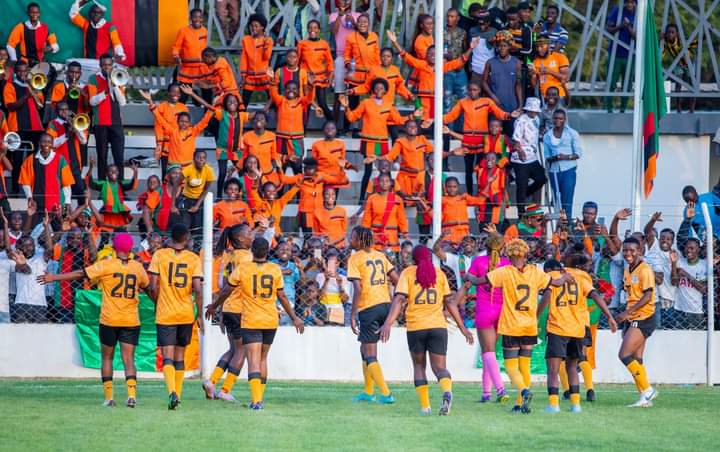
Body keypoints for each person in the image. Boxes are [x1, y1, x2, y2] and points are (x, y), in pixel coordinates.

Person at [38, 233, 148, 407]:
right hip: (130, 320)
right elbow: (148, 287)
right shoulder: (137, 267)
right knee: (129, 359)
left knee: (107, 358)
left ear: (114, 247)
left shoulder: (106, 264)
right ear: (130, 249)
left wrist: (54, 277)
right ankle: (132, 396)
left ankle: (109, 398)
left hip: (110, 319)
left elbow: (81, 273)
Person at [464, 238, 573, 413]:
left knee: (511, 367)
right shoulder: (535, 272)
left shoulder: (504, 272)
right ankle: (520, 403)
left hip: (511, 325)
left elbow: (478, 282)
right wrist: (565, 277)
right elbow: (557, 283)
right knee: (525, 366)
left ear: (509, 255)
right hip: (529, 325)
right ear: (526, 254)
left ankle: (523, 391)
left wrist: (469, 276)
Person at [206, 237, 304, 409]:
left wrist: (215, 306)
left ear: (252, 250)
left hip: (250, 320)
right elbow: (282, 296)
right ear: (268, 251)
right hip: (270, 320)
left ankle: (256, 401)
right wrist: (294, 317)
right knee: (263, 359)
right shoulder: (275, 269)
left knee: (253, 360)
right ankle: (259, 398)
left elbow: (227, 290)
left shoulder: (243, 268)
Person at [380, 245, 473, 415]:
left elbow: (399, 299)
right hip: (438, 327)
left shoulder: (408, 273)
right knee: (440, 368)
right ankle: (447, 392)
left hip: (416, 327)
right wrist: (462, 327)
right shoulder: (439, 274)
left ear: (414, 259)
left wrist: (388, 323)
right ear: (430, 258)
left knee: (419, 366)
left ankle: (425, 407)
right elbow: (449, 302)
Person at [538, 255, 617, 413]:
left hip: (558, 327)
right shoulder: (581, 277)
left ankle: (553, 405)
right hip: (577, 329)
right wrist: (609, 316)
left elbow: (546, 295)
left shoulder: (552, 276)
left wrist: (535, 316)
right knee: (572, 367)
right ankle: (576, 405)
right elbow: (595, 295)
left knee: (553, 369)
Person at [148, 223, 204, 410]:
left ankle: (172, 391)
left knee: (167, 357)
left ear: (171, 237)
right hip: (185, 314)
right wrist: (199, 315)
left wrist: (157, 303)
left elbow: (153, 286)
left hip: (165, 313)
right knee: (180, 357)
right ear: (186, 239)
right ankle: (177, 395)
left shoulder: (159, 255)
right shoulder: (193, 258)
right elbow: (198, 289)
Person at [339, 78, 417, 201]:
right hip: (368, 142)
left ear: (385, 91)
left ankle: (390, 198)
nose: (379, 90)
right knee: (368, 171)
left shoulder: (389, 105)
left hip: (382, 142)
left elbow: (399, 120)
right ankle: (362, 199)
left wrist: (412, 116)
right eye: (377, 88)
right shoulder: (366, 102)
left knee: (386, 170)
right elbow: (352, 117)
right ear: (373, 90)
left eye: (382, 88)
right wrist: (346, 107)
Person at [347, 226, 399, 403]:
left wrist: (352, 314)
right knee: (364, 348)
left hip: (368, 307)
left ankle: (386, 394)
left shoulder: (355, 258)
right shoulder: (380, 256)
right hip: (385, 305)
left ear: (360, 241)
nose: (350, 239)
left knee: (370, 354)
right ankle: (368, 392)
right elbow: (397, 280)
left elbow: (358, 288)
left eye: (353, 237)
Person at [440, 80, 517, 194]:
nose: (472, 92)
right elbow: (451, 116)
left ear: (480, 90)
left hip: (482, 141)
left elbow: (498, 112)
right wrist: (436, 119)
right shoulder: (462, 102)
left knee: (480, 168)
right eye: (470, 90)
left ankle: (480, 193)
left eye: (475, 90)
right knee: (468, 170)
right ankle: (470, 194)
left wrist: (509, 115)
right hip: (468, 141)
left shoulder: (487, 101)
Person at [387, 30, 476, 122]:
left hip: (437, 99)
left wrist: (471, 48)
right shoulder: (421, 64)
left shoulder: (442, 66)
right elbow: (406, 56)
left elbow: (459, 61)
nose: (433, 56)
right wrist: (394, 42)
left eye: (435, 54)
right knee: (420, 121)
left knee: (435, 122)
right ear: (426, 55)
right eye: (430, 53)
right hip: (422, 100)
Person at [462, 231, 509, 402]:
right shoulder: (507, 264)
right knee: (489, 352)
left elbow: (469, 281)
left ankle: (501, 390)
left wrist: (468, 277)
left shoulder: (478, 261)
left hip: (484, 309)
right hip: (502, 309)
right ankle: (486, 393)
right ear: (502, 247)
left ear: (486, 247)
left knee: (488, 352)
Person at [616, 236, 658, 407]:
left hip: (644, 317)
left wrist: (627, 313)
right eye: (625, 250)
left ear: (640, 251)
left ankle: (648, 389)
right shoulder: (628, 269)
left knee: (624, 355)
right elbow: (631, 296)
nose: (628, 253)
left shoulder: (645, 269)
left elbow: (648, 296)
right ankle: (644, 397)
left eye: (632, 250)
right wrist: (627, 318)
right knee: (636, 358)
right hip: (633, 317)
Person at [141, 86, 215, 167]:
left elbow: (204, 122)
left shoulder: (193, 131)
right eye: (181, 121)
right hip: (173, 165)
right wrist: (150, 100)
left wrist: (211, 110)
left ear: (189, 123)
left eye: (186, 122)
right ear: (177, 122)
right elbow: (160, 120)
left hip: (188, 167)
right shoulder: (172, 131)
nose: (184, 124)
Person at [4, 61, 45, 193]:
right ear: (15, 72)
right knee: (17, 160)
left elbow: (40, 105)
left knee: (34, 160)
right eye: (20, 71)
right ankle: (15, 189)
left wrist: (33, 90)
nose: (23, 74)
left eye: (25, 71)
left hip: (35, 128)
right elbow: (11, 106)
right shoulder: (10, 86)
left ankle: (33, 188)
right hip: (18, 128)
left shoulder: (34, 85)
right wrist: (26, 96)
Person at [267, 72, 316, 175]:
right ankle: (280, 186)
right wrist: (273, 82)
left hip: (296, 139)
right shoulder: (281, 101)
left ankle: (298, 185)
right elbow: (273, 94)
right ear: (284, 91)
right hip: (281, 139)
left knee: (297, 166)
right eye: (288, 88)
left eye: (294, 89)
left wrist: (311, 86)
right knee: (281, 167)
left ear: (298, 91)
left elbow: (310, 98)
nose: (291, 91)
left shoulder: (301, 101)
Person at [87, 54, 126, 180]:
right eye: (104, 65)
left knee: (119, 156)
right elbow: (92, 101)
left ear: (112, 65)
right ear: (100, 65)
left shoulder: (118, 77)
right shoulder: (93, 78)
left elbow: (122, 102)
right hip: (100, 123)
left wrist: (114, 86)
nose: (107, 67)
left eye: (109, 65)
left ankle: (120, 185)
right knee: (102, 156)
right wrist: (105, 92)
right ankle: (102, 186)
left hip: (116, 123)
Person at [9, 211, 53, 323]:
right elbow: (26, 270)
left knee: (40, 333)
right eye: (25, 246)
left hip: (40, 304)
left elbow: (50, 249)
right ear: (19, 248)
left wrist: (46, 227)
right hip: (21, 303)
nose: (29, 248)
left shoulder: (40, 257)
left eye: (31, 245)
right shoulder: (16, 259)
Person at [342, 13, 381, 133]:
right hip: (356, 75)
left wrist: (378, 72)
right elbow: (347, 55)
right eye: (360, 22)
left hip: (372, 75)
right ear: (357, 24)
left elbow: (377, 55)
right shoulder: (350, 37)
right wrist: (348, 64)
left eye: (365, 22)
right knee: (352, 102)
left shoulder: (374, 36)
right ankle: (348, 128)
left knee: (373, 102)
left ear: (368, 24)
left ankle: (371, 127)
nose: (362, 24)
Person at [19, 133, 75, 215]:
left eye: (49, 142)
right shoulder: (30, 160)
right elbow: (25, 183)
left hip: (58, 206)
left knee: (63, 223)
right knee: (38, 223)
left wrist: (67, 204)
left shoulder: (60, 159)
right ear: (39, 143)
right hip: (37, 204)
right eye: (44, 141)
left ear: (52, 144)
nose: (46, 144)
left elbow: (66, 185)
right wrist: (29, 198)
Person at [329, 0, 361, 133]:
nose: (345, 1)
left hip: (355, 58)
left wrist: (354, 22)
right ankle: (334, 128)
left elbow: (362, 32)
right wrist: (340, 15)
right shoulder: (333, 15)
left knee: (354, 94)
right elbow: (333, 31)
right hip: (340, 57)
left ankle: (350, 127)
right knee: (338, 93)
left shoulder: (357, 15)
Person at [482, 31, 523, 135]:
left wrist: (520, 105)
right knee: (495, 135)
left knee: (511, 134)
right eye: (499, 46)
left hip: (511, 105)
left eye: (505, 46)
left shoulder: (517, 63)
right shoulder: (490, 62)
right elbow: (483, 82)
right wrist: (492, 96)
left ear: (509, 47)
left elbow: (518, 85)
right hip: (495, 106)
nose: (502, 48)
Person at [543, 109, 581, 217]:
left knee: (567, 199)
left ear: (564, 120)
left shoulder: (572, 133)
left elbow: (578, 154)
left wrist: (565, 157)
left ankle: (567, 223)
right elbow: (547, 156)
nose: (558, 120)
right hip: (554, 171)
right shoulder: (547, 135)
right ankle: (558, 223)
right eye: (556, 118)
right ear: (552, 119)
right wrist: (555, 158)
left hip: (568, 170)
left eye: (560, 118)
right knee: (556, 200)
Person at [46, 101, 88, 197]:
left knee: (80, 190)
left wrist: (76, 128)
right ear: (57, 111)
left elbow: (84, 141)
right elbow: (52, 143)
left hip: (74, 162)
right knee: (62, 192)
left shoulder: (74, 122)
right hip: (61, 162)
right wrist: (66, 135)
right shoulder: (53, 124)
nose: (64, 112)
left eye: (66, 109)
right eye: (61, 110)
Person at [512, 97, 547, 212]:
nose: (534, 112)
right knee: (521, 185)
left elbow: (534, 133)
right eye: (532, 110)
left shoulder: (536, 119)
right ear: (527, 109)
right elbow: (516, 140)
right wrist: (521, 152)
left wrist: (541, 133)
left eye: (536, 111)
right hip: (520, 159)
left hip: (532, 157)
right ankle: (521, 214)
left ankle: (525, 195)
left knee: (541, 178)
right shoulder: (520, 120)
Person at [385, 119, 433, 199]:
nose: (413, 128)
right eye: (410, 126)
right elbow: (390, 157)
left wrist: (451, 153)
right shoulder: (400, 142)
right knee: (403, 200)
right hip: (404, 177)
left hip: (419, 177)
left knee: (420, 201)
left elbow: (435, 153)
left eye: (415, 126)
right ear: (405, 129)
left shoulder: (422, 139)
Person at [361, 172, 409, 253]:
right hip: (376, 237)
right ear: (378, 183)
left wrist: (405, 232)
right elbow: (367, 218)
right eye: (381, 181)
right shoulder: (372, 198)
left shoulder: (397, 199)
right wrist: (365, 233)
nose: (384, 183)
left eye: (387, 181)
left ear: (391, 183)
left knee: (392, 260)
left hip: (392, 236)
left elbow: (401, 218)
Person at [87, 158, 138, 230]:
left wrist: (135, 172)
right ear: (106, 174)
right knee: (105, 232)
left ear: (118, 173)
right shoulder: (103, 184)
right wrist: (91, 168)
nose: (114, 172)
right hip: (107, 213)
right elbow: (91, 183)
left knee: (121, 232)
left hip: (119, 213)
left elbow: (131, 186)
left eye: (116, 171)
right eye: (111, 171)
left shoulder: (120, 184)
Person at [298, 20, 334, 120]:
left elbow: (330, 61)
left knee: (322, 103)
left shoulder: (324, 44)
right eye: (310, 27)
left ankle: (332, 124)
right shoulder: (302, 43)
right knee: (306, 103)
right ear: (307, 29)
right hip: (306, 78)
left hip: (320, 78)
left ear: (319, 30)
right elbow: (298, 61)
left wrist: (330, 75)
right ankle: (303, 128)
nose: (312, 30)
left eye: (315, 28)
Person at [150, 84, 189, 178]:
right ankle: (165, 187)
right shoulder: (162, 107)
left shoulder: (183, 108)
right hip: (166, 146)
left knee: (179, 173)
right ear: (168, 93)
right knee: (165, 171)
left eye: (178, 92)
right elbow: (158, 126)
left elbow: (186, 127)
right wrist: (159, 144)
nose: (176, 94)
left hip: (179, 146)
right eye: (173, 91)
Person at [605, 0, 637, 113]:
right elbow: (608, 29)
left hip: (630, 55)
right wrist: (620, 26)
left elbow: (638, 37)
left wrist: (628, 27)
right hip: (615, 53)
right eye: (627, 2)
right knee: (611, 82)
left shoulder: (639, 14)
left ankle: (623, 109)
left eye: (632, 2)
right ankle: (609, 109)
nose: (630, 4)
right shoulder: (618, 10)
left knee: (627, 83)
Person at [670, 239, 707, 329]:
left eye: (692, 248)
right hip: (680, 309)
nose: (688, 250)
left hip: (696, 310)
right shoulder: (680, 262)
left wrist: (686, 274)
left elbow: (703, 289)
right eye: (687, 247)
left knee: (696, 336)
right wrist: (674, 263)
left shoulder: (704, 265)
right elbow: (674, 282)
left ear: (698, 250)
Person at [240, 14, 273, 107]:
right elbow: (244, 58)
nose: (253, 28)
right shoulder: (246, 40)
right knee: (244, 102)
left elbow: (266, 57)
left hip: (264, 74)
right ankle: (241, 115)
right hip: (250, 76)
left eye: (256, 26)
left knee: (272, 97)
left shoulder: (268, 40)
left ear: (262, 27)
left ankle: (275, 115)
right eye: (252, 26)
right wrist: (243, 75)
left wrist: (265, 45)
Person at [173, 8, 210, 91]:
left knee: (206, 91)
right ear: (190, 18)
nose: (197, 19)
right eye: (195, 17)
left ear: (202, 19)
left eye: (200, 17)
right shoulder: (183, 31)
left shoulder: (204, 31)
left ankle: (202, 99)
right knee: (184, 91)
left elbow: (204, 47)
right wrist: (176, 56)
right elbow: (176, 46)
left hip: (201, 66)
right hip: (187, 67)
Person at [180, 150, 215, 234]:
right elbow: (176, 184)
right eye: (198, 157)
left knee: (198, 227)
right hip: (186, 198)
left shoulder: (209, 170)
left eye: (203, 158)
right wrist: (173, 204)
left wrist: (197, 206)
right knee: (185, 225)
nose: (201, 159)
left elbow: (206, 190)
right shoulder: (188, 169)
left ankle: (196, 242)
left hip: (199, 200)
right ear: (194, 159)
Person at [311, 120, 353, 189]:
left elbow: (342, 161)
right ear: (323, 130)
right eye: (327, 128)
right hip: (323, 175)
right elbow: (314, 162)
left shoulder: (341, 144)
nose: (330, 130)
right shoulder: (316, 144)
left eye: (332, 128)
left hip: (336, 175)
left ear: (336, 131)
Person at [143, 165, 183, 234]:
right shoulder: (159, 191)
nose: (177, 175)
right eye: (174, 173)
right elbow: (146, 210)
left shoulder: (186, 191)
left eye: (179, 174)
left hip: (181, 234)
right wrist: (149, 228)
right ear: (167, 176)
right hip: (161, 233)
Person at [443, 8, 468, 116]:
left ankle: (462, 126)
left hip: (460, 71)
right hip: (447, 71)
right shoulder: (441, 32)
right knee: (446, 102)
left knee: (464, 101)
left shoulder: (462, 32)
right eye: (448, 16)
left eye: (452, 16)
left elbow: (465, 50)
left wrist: (463, 65)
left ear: (457, 18)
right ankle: (447, 126)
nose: (449, 18)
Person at [468, 8, 497, 81]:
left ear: (489, 22)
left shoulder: (494, 32)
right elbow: (470, 49)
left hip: (490, 70)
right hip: (475, 69)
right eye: (480, 24)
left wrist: (493, 43)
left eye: (484, 24)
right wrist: (469, 65)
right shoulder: (472, 31)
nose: (481, 26)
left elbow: (498, 50)